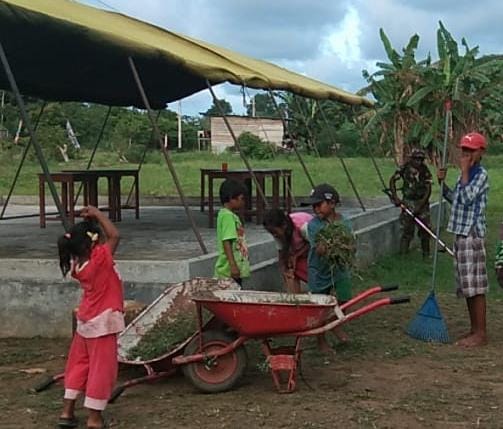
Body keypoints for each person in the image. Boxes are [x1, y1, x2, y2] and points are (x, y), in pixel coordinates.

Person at [56, 206, 124, 429]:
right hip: (103, 323)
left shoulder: (77, 264)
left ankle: (67, 412)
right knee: (100, 370)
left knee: (78, 366)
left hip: (85, 322)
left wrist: (91, 226)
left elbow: (102, 239)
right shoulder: (99, 260)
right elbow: (115, 235)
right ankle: (94, 418)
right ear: (93, 243)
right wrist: (98, 214)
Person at [437, 132, 489, 348]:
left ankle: (481, 332)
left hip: (472, 234)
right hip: (460, 233)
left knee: (476, 286)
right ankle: (474, 329)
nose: (466, 155)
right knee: (467, 285)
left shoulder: (481, 175)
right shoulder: (464, 176)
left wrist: (465, 171)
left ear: (480, 152)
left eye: (471, 151)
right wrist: (443, 185)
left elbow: (468, 199)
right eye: (464, 150)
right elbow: (455, 200)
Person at [303, 183, 353, 351]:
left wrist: (346, 247)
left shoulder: (344, 223)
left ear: (332, 204)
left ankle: (334, 321)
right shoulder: (314, 225)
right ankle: (321, 340)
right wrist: (327, 245)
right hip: (318, 271)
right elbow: (319, 249)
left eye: (319, 204)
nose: (315, 209)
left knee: (345, 298)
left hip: (338, 268)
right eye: (313, 206)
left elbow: (350, 243)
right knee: (319, 305)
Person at [389, 148, 433, 258]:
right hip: (408, 201)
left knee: (425, 230)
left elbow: (428, 188)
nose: (419, 162)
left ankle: (426, 255)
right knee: (407, 229)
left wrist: (421, 204)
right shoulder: (404, 168)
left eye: (421, 159)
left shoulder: (424, 170)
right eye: (416, 159)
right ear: (412, 159)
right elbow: (392, 180)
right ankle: (403, 254)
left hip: (422, 202)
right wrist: (395, 197)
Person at [263, 209, 313, 293]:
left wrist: (296, 256)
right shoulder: (278, 234)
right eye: (271, 233)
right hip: (299, 251)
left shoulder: (301, 226)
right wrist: (284, 269)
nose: (274, 235)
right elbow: (281, 253)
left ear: (284, 225)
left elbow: (314, 245)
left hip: (314, 249)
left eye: (275, 232)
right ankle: (295, 297)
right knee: (289, 268)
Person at [214, 179, 250, 285]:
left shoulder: (229, 216)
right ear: (231, 198)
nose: (243, 202)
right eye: (241, 199)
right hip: (228, 270)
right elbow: (227, 241)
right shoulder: (227, 217)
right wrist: (232, 265)